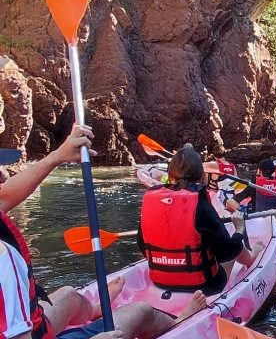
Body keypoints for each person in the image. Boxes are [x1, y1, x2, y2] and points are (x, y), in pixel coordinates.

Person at [0, 124, 208, 339]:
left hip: (34, 324)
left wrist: (57, 157)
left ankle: (93, 310)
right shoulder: (4, 258)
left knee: (69, 295)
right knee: (140, 311)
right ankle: (178, 321)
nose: (3, 175)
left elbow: (4, 197)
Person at [137, 147, 264, 297]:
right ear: (201, 177)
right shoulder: (202, 206)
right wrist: (239, 230)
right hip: (203, 285)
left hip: (160, 281)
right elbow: (227, 252)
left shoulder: (151, 201)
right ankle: (251, 257)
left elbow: (142, 244)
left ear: (170, 176)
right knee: (234, 243)